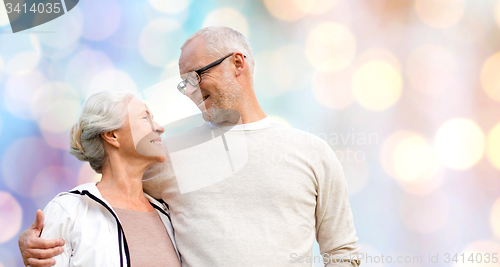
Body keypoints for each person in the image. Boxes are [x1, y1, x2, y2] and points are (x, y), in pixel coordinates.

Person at [19, 26, 361, 266]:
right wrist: (37, 240)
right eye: (183, 83)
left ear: (238, 64)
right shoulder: (166, 154)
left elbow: (342, 251)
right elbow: (106, 195)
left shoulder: (311, 153)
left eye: (197, 75)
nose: (190, 90)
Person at [19, 92, 182, 267]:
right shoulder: (69, 210)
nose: (159, 127)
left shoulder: (166, 214)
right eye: (145, 118)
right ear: (112, 135)